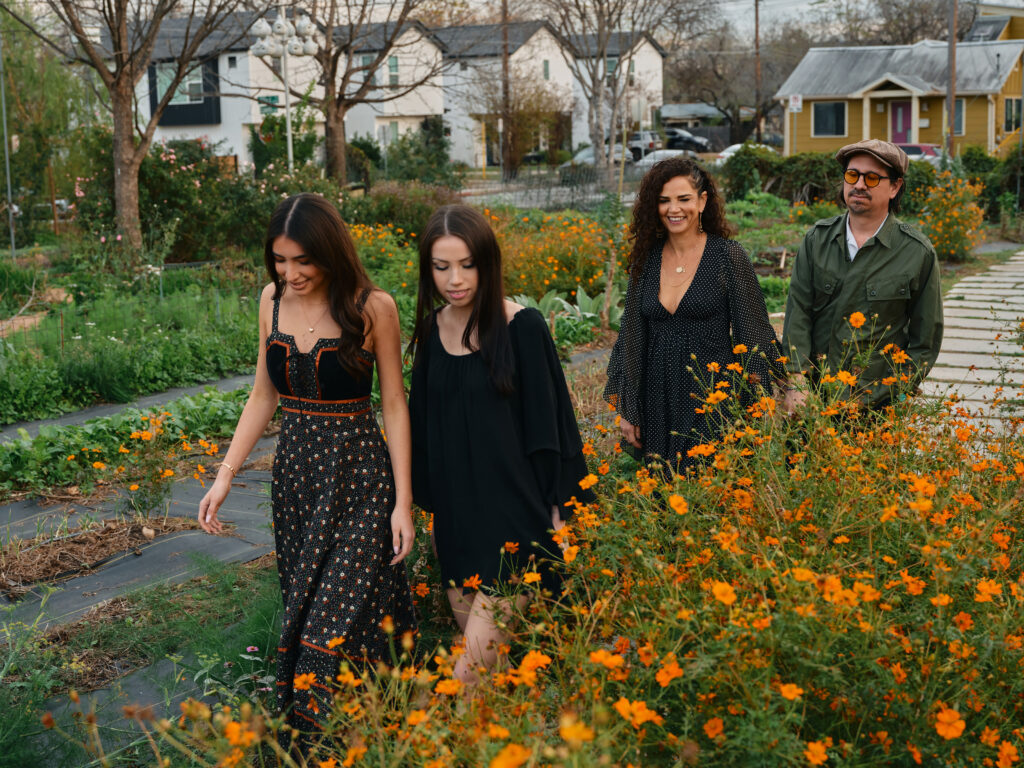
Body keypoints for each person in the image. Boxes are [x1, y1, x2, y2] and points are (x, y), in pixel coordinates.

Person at [197, 193, 416, 731]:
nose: (290, 273)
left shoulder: (372, 307)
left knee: (329, 623)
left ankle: (317, 737)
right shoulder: (270, 301)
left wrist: (403, 502)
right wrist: (224, 477)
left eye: (303, 260)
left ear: (330, 253)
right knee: (310, 607)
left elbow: (393, 403)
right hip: (296, 482)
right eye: (280, 259)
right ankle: (367, 727)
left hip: (361, 480)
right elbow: (262, 395)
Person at [407, 204, 592, 684]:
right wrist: (431, 513)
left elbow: (553, 424)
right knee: (492, 677)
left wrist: (560, 511)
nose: (455, 279)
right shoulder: (430, 331)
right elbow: (423, 430)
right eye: (441, 266)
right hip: (458, 526)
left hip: (517, 522)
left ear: (487, 262)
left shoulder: (522, 326)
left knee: (467, 674)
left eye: (467, 264)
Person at [604, 156, 783, 472]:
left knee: (711, 489)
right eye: (664, 201)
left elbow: (753, 333)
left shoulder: (727, 256)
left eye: (683, 199)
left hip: (713, 397)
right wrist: (629, 409)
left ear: (702, 201)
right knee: (663, 490)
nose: (673, 209)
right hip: (658, 401)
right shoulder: (646, 260)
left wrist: (754, 405)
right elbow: (631, 336)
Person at [781, 139, 943, 413]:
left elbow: (925, 343)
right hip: (813, 399)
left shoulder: (916, 252)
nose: (859, 185)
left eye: (872, 178)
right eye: (852, 175)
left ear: (895, 187)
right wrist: (797, 381)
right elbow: (798, 312)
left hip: (876, 406)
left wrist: (888, 393)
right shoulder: (817, 240)